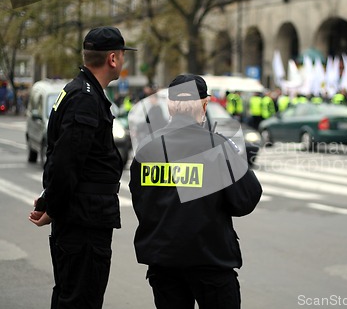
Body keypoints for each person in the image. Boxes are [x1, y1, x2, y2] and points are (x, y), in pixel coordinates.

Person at [129, 74, 262, 309]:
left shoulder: (147, 149)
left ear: (170, 107)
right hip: (210, 260)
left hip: (164, 261)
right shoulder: (217, 146)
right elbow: (246, 199)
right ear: (204, 104)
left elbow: (141, 201)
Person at [28, 26, 137, 309]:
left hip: (82, 215)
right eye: (123, 55)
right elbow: (66, 163)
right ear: (113, 58)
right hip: (85, 219)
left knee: (71, 293)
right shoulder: (86, 98)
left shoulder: (79, 91)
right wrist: (52, 206)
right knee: (80, 298)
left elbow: (63, 157)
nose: (123, 61)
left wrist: (48, 201)